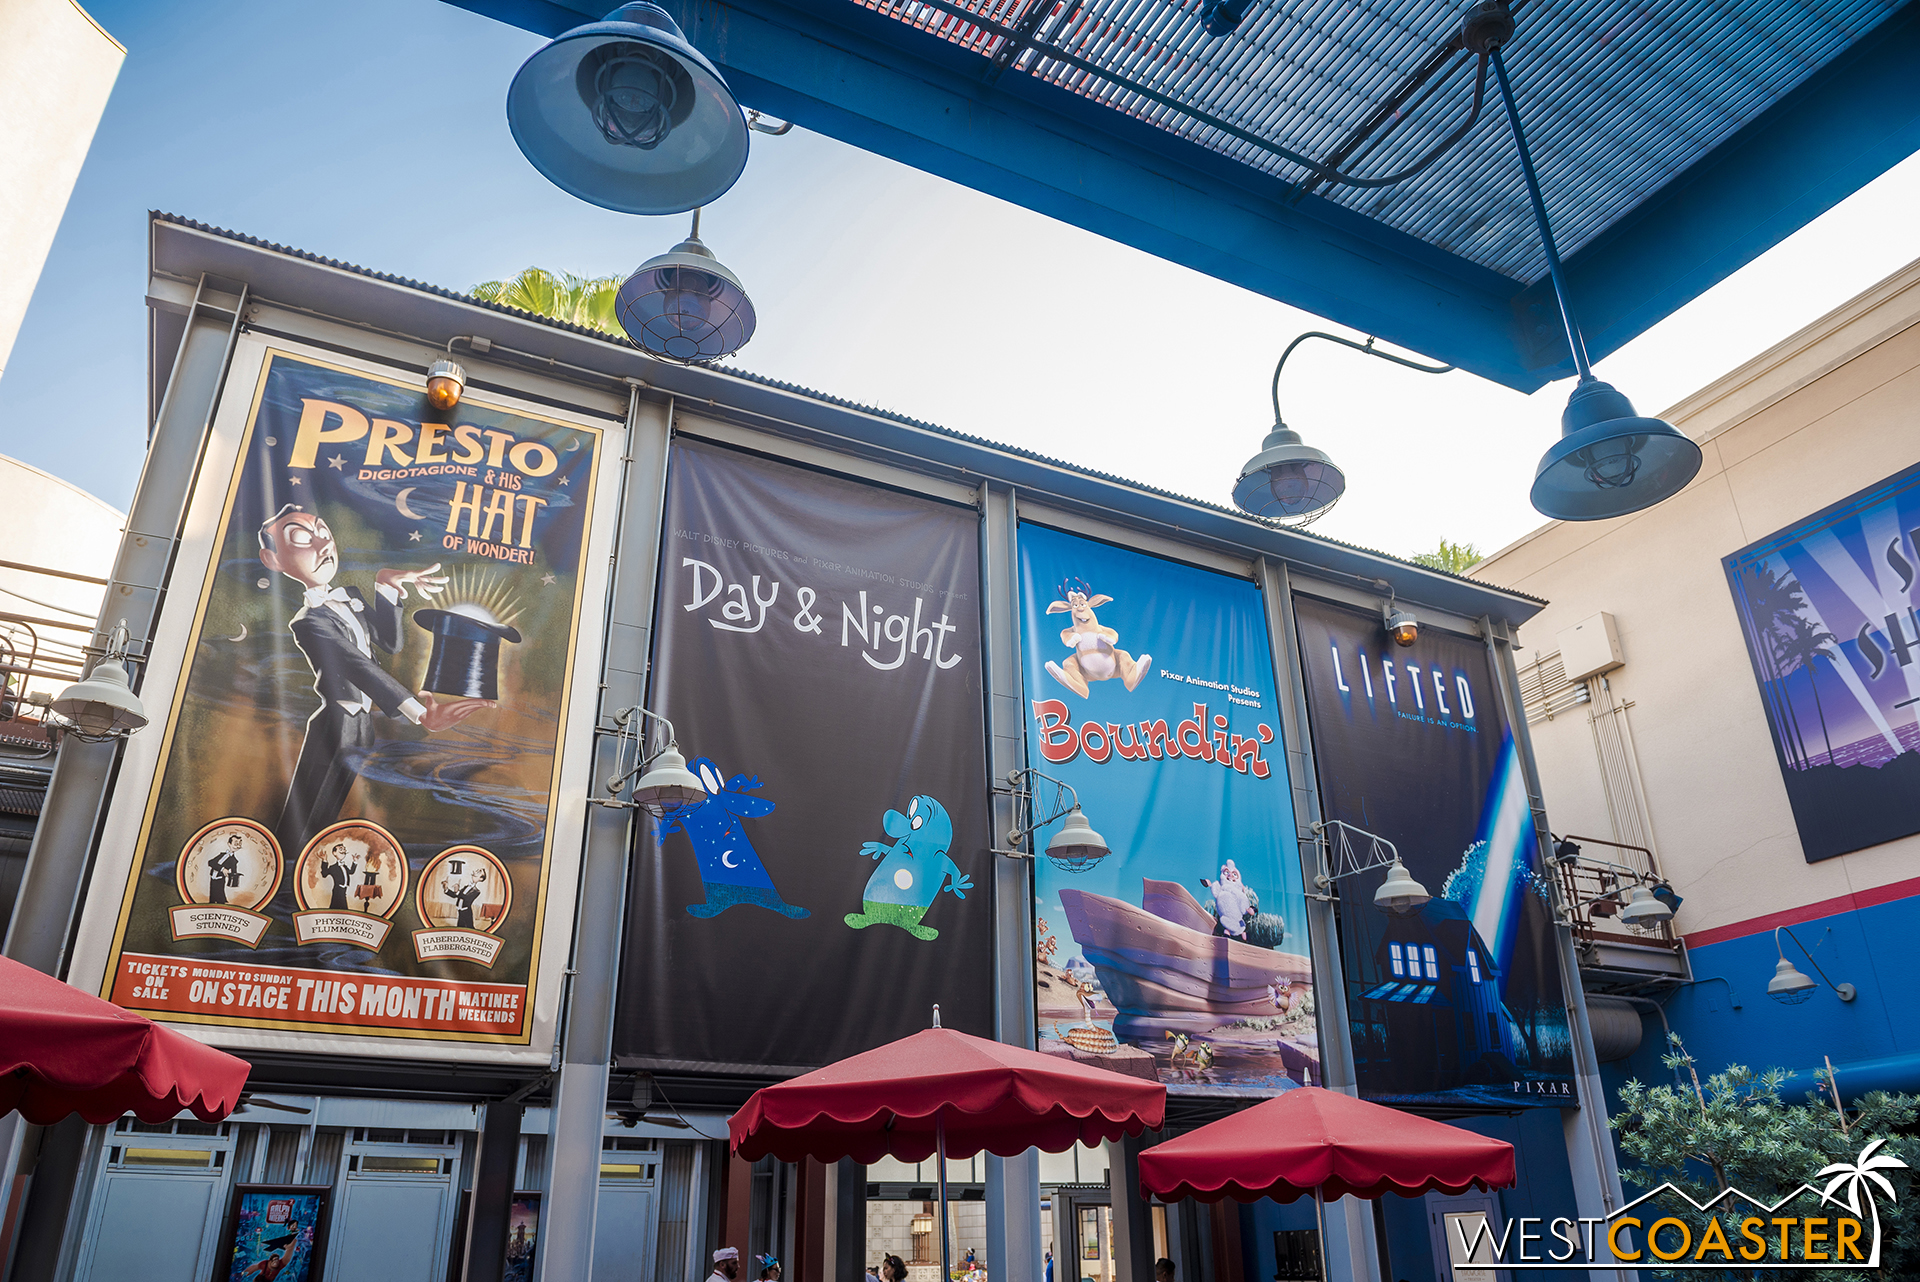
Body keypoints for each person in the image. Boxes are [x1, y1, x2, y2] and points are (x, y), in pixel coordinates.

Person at [258, 505, 490, 854]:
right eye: (303, 539)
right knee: (305, 812)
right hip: (335, 723)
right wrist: (419, 713)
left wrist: (386, 586)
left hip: (361, 725)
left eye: (324, 533)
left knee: (328, 812)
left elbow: (389, 642)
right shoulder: (309, 623)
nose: (323, 545)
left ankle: (296, 878)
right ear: (273, 560)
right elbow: (359, 667)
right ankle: (279, 873)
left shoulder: (349, 597)